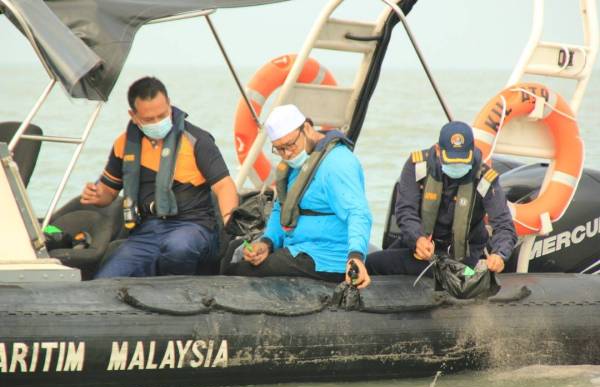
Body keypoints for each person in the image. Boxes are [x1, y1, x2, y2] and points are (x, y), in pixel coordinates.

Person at [81, 76, 238, 278]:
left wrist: (230, 220)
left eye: (162, 115)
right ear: (134, 115)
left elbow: (224, 185)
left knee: (178, 248)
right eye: (148, 119)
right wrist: (96, 194)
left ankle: (178, 299)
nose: (157, 122)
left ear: (169, 105)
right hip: (147, 232)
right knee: (107, 279)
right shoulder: (124, 145)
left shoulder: (197, 140)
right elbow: (108, 192)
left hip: (193, 226)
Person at [222, 104, 373, 288]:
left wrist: (356, 256)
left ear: (307, 128)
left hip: (326, 257)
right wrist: (267, 243)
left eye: (290, 145)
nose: (286, 154)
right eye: (279, 149)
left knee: (240, 270)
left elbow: (358, 212)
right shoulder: (295, 165)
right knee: (231, 251)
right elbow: (281, 209)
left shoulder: (338, 163)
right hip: (297, 247)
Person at [366, 120, 517, 275]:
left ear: (472, 152)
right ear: (438, 150)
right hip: (421, 244)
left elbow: (504, 225)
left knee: (459, 274)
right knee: (371, 263)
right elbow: (406, 210)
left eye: (462, 161)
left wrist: (499, 254)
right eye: (452, 161)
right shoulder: (417, 166)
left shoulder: (485, 179)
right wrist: (418, 239)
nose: (457, 166)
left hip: (463, 254)